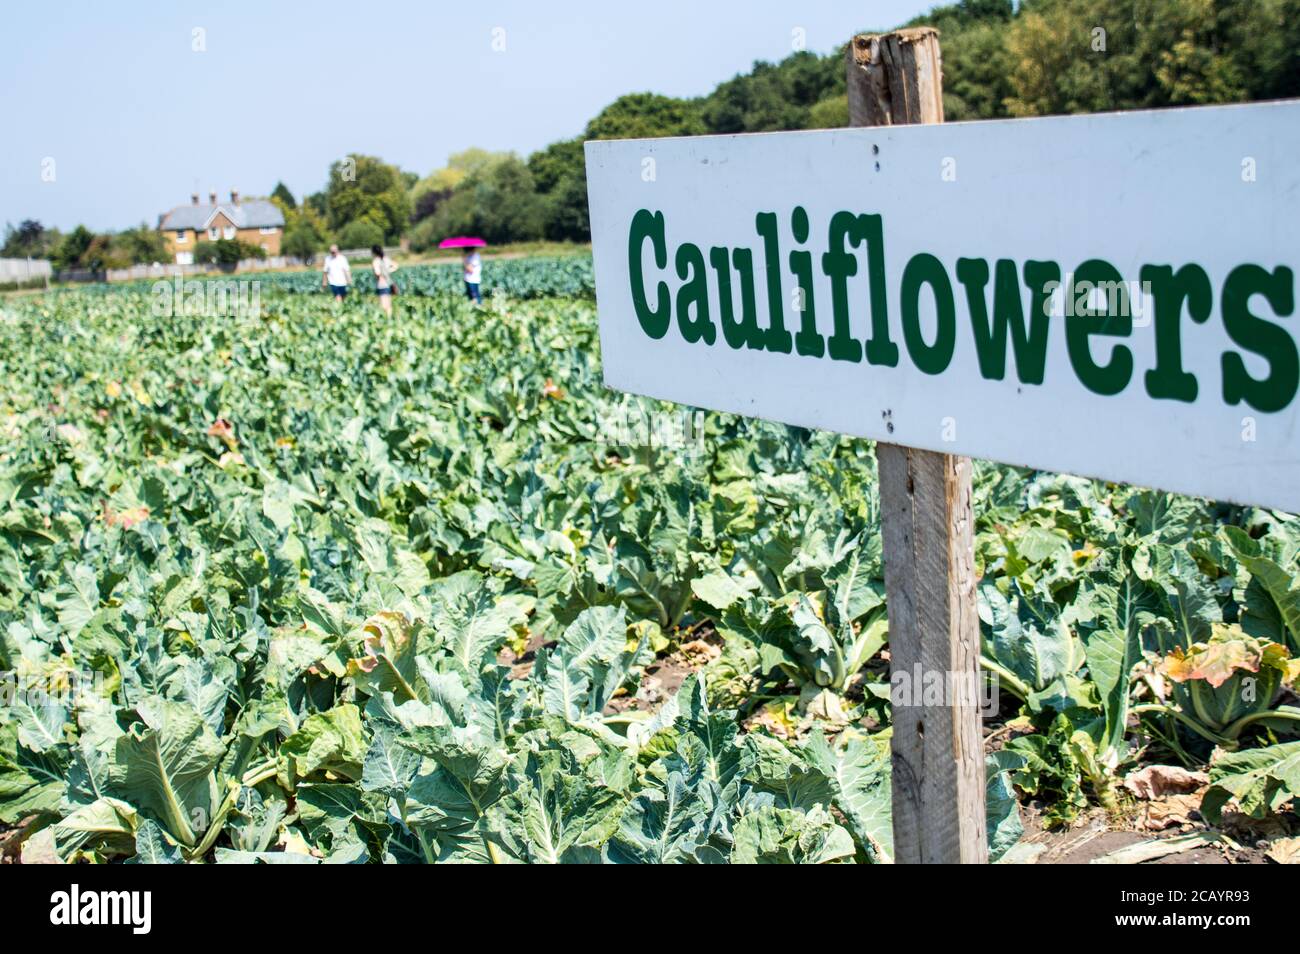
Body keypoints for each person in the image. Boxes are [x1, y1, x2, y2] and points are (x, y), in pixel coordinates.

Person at [371, 244, 399, 316]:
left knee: (383, 305)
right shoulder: (386, 259)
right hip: (389, 283)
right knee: (389, 304)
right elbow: (396, 266)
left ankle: (386, 320)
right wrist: (389, 271)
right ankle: (389, 318)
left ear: (373, 252)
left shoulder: (376, 261)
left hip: (382, 284)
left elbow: (377, 273)